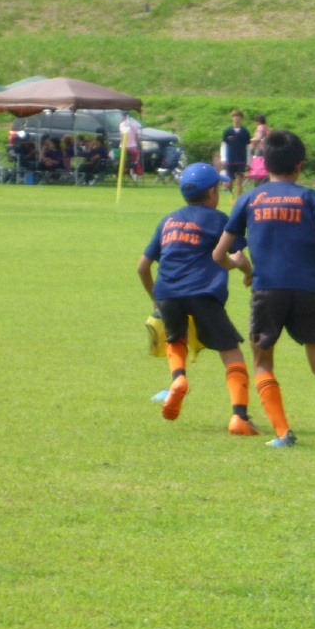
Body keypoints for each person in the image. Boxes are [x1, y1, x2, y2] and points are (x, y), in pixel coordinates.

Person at [213, 129, 315, 448]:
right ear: (300, 166)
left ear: (264, 164)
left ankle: (282, 433)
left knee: (263, 363)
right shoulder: (311, 198)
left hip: (267, 292)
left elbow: (219, 254)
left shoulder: (249, 199)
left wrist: (240, 267)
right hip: (306, 293)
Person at [138, 163, 259, 434]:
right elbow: (238, 256)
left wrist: (155, 299)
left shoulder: (169, 220)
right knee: (231, 352)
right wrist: (247, 272)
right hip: (203, 294)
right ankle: (240, 417)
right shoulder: (219, 220)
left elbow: (142, 266)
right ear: (212, 192)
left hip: (167, 293)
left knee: (176, 339)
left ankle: (178, 378)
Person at [221, 110, 250, 197]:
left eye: (238, 116)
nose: (236, 118)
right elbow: (223, 145)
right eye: (234, 116)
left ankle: (239, 200)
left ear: (241, 118)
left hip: (241, 159)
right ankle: (231, 194)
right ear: (232, 118)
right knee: (229, 181)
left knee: (239, 181)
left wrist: (249, 162)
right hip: (230, 159)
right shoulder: (227, 131)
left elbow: (248, 148)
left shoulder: (245, 132)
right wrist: (223, 158)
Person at [119, 112, 143, 183]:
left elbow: (122, 135)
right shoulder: (134, 124)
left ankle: (124, 174)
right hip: (133, 146)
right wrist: (138, 144)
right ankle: (134, 173)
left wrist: (121, 144)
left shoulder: (122, 124)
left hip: (125, 146)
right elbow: (136, 136)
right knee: (134, 161)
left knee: (123, 162)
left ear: (124, 117)